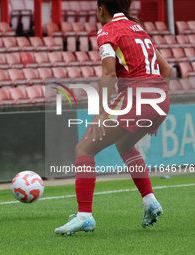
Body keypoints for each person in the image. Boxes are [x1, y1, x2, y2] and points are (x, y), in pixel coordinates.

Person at [55, 0, 172, 235]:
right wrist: (156, 110)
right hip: (160, 98)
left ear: (101, 9)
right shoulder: (139, 29)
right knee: (124, 144)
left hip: (136, 96)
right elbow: (167, 70)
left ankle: (84, 216)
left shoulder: (108, 30)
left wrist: (100, 112)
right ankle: (150, 202)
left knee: (84, 149)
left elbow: (108, 72)